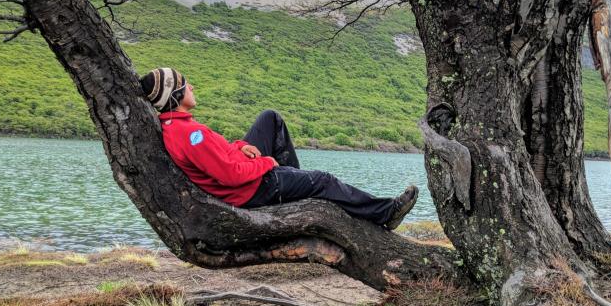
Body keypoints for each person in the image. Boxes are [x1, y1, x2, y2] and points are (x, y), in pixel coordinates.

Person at [139, 67, 418, 229]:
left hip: (245, 171)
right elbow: (230, 175)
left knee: (269, 118)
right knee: (324, 180)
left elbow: (221, 155)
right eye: (185, 84)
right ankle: (385, 213)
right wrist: (267, 163)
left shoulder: (178, 127)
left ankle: (294, 181)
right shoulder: (191, 135)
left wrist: (241, 146)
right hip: (250, 188)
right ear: (175, 94)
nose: (192, 86)